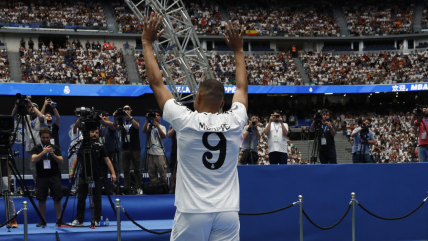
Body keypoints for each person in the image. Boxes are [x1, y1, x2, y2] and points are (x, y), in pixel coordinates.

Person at [142, 14, 247, 240]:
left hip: (193, 211)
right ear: (222, 104)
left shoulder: (184, 119)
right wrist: (239, 51)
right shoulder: (235, 120)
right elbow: (242, 89)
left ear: (197, 97)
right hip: (228, 211)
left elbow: (156, 83)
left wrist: (146, 43)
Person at [69, 127, 117, 227]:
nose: (94, 134)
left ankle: (96, 219)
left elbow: (107, 160)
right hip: (83, 175)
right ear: (89, 133)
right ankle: (79, 219)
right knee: (81, 197)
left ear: (99, 134)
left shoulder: (100, 146)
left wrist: (113, 173)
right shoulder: (83, 145)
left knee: (96, 199)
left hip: (96, 176)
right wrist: (72, 171)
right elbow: (77, 158)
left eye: (96, 132)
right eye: (92, 132)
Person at [31, 127, 65, 227]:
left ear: (50, 137)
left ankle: (59, 219)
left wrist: (52, 154)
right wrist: (43, 152)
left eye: (47, 137)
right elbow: (34, 159)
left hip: (54, 175)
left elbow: (61, 160)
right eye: (43, 138)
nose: (45, 139)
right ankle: (42, 220)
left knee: (57, 198)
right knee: (41, 199)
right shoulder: (36, 148)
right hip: (41, 176)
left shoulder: (55, 147)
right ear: (40, 137)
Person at [12, 98, 46, 179]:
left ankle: (44, 185)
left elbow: (41, 116)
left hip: (40, 147)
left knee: (42, 166)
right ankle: (37, 184)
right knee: (32, 168)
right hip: (30, 147)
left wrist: (32, 104)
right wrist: (16, 105)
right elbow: (13, 116)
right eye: (29, 107)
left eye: (32, 107)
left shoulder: (41, 117)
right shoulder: (26, 117)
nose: (31, 108)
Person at [113, 105, 143, 195]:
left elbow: (137, 127)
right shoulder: (121, 121)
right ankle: (127, 188)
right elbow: (115, 128)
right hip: (124, 148)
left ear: (130, 111)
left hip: (135, 149)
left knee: (136, 169)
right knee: (125, 169)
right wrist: (114, 117)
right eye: (124, 109)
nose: (126, 110)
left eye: (128, 109)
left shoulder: (135, 120)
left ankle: (138, 187)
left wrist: (129, 118)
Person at [142, 110, 167, 183]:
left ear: (160, 117)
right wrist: (147, 119)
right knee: (152, 173)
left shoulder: (162, 127)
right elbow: (143, 131)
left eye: (157, 115)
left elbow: (163, 136)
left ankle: (164, 187)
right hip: (150, 152)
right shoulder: (149, 126)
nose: (156, 117)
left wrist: (157, 126)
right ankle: (155, 186)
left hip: (160, 153)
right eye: (154, 115)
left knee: (162, 171)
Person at [167, 125, 177, 194]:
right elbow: (168, 135)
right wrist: (174, 127)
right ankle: (173, 187)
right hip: (174, 150)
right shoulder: (172, 125)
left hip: (183, 151)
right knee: (172, 170)